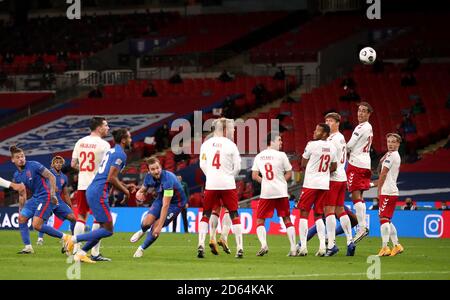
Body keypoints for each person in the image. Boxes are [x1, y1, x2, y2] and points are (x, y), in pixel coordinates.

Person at [64, 128, 133, 263]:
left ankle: (81, 253)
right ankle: (72, 239)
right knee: (108, 230)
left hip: (93, 189)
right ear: (124, 140)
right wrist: (126, 191)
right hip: (98, 192)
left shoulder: (111, 151)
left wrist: (124, 186)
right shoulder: (120, 154)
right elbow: (111, 178)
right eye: (129, 137)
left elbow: (108, 175)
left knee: (101, 228)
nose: (131, 140)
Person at [11, 146, 72, 254]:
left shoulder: (34, 165)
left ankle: (66, 238)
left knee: (36, 225)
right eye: (18, 157)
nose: (21, 159)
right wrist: (21, 207)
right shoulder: (17, 175)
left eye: (22, 156)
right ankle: (28, 247)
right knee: (21, 218)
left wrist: (53, 195)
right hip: (35, 198)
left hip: (46, 196)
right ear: (13, 160)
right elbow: (22, 193)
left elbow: (51, 176)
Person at [197, 118, 243, 258]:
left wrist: (211, 175)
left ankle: (200, 244)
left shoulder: (205, 144)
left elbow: (202, 165)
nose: (232, 130)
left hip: (211, 184)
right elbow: (238, 167)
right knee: (234, 214)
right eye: (230, 128)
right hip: (228, 184)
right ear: (224, 129)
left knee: (206, 214)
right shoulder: (231, 145)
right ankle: (240, 248)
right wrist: (229, 176)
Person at [71, 116, 111, 261]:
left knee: (81, 216)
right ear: (99, 127)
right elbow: (108, 168)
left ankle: (76, 250)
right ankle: (94, 253)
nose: (108, 128)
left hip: (82, 184)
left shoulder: (80, 142)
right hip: (97, 186)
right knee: (100, 220)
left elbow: (73, 164)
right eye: (106, 125)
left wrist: (84, 171)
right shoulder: (104, 145)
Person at [130, 157, 188, 258]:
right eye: (153, 169)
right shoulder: (148, 177)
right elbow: (144, 189)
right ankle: (142, 231)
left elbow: (166, 206)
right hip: (161, 197)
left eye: (157, 168)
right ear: (148, 171)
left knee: (156, 227)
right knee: (145, 223)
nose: (156, 171)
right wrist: (139, 193)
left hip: (175, 204)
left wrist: (160, 227)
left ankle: (141, 248)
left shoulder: (168, 179)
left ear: (160, 167)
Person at [251, 132, 296, 256]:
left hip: (267, 193)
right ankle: (293, 248)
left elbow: (254, 176)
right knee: (286, 219)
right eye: (279, 140)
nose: (281, 142)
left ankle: (264, 245)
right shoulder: (282, 155)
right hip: (281, 192)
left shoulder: (259, 156)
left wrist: (265, 181)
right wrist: (281, 182)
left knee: (260, 220)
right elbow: (289, 173)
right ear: (271, 142)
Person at [297, 123, 337, 257]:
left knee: (303, 213)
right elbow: (335, 166)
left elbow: (303, 163)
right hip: (324, 184)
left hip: (310, 184)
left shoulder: (311, 145)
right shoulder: (332, 147)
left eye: (318, 130)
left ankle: (303, 246)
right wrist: (323, 172)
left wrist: (313, 170)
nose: (314, 132)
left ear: (325, 134)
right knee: (319, 215)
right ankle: (321, 247)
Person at [323, 113, 355, 256]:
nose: (327, 123)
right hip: (342, 177)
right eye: (326, 121)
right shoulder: (341, 138)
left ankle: (331, 244)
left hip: (333, 178)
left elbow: (331, 163)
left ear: (337, 123)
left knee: (328, 210)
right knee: (340, 210)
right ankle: (349, 241)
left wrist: (322, 173)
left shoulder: (331, 139)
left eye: (330, 121)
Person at [346, 102, 374, 243]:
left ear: (369, 114)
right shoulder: (369, 127)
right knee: (360, 196)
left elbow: (350, 145)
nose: (360, 113)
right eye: (359, 110)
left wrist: (341, 149)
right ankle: (363, 227)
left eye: (364, 111)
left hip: (356, 164)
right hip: (365, 163)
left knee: (355, 194)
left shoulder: (361, 127)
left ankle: (362, 227)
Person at [374, 133, 404, 257]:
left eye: (393, 142)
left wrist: (378, 190)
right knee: (386, 220)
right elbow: (381, 170)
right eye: (389, 141)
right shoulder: (391, 155)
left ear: (398, 144)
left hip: (387, 191)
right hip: (391, 191)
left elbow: (383, 173)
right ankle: (396, 245)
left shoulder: (392, 156)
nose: (390, 144)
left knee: (383, 219)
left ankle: (385, 247)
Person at [37, 156, 77, 245]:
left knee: (73, 218)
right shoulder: (47, 173)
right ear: (53, 164)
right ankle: (40, 239)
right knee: (43, 220)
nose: (58, 164)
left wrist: (70, 205)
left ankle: (74, 239)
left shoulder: (64, 177)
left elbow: (66, 193)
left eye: (60, 162)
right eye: (56, 162)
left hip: (59, 201)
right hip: (48, 200)